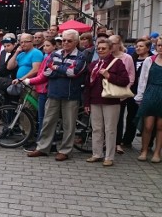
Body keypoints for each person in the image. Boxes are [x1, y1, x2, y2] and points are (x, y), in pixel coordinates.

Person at [28, 29, 87, 161]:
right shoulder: (55, 54)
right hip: (53, 93)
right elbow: (47, 72)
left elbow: (74, 72)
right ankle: (42, 148)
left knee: (69, 124)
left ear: (76, 42)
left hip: (70, 95)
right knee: (48, 122)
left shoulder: (81, 56)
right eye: (63, 40)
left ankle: (65, 151)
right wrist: (62, 70)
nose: (65, 43)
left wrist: (56, 68)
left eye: (69, 41)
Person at [83, 40, 130, 166]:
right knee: (96, 129)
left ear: (110, 50)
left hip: (111, 101)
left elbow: (125, 80)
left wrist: (109, 76)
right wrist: (86, 103)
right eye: (99, 49)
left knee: (110, 129)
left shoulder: (117, 63)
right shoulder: (93, 64)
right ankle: (97, 154)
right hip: (94, 99)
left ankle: (109, 156)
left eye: (104, 48)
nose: (100, 51)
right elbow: (88, 85)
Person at [134, 40, 162, 163]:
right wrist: (140, 96)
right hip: (150, 92)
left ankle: (157, 152)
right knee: (148, 126)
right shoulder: (149, 60)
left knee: (161, 126)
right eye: (159, 45)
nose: (160, 47)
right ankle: (144, 150)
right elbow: (143, 80)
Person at [23, 40, 56, 143]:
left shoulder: (52, 58)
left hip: (45, 89)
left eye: (48, 45)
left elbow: (44, 75)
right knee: (41, 116)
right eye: (44, 46)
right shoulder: (47, 57)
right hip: (41, 88)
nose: (45, 48)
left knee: (43, 117)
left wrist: (30, 81)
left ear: (54, 46)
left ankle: (41, 142)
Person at [123, 39, 153, 148]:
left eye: (141, 46)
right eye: (137, 46)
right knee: (131, 116)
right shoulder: (133, 59)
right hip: (132, 92)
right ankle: (127, 140)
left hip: (147, 92)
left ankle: (149, 142)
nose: (138, 48)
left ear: (148, 48)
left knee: (147, 119)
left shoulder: (151, 60)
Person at [108, 35, 136, 155]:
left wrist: (125, 91)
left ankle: (117, 143)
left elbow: (131, 76)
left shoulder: (127, 57)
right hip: (107, 91)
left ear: (119, 44)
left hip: (120, 92)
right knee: (107, 119)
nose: (111, 46)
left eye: (113, 43)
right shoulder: (107, 56)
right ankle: (107, 142)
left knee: (118, 119)